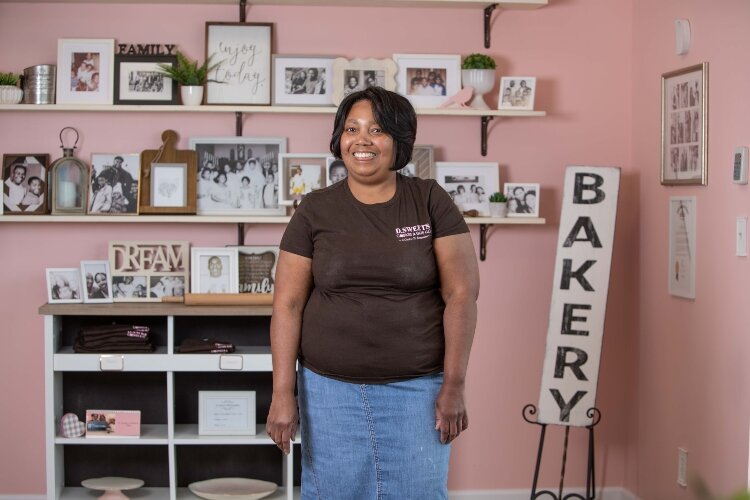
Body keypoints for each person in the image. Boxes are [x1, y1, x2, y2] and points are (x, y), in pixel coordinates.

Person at [266, 87, 479, 500]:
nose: (361, 140)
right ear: (339, 139)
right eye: (351, 129)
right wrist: (281, 394)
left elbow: (462, 294)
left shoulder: (430, 200)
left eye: (377, 129)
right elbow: (287, 305)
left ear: (399, 139)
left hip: (418, 391)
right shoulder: (314, 209)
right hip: (328, 393)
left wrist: (454, 384)